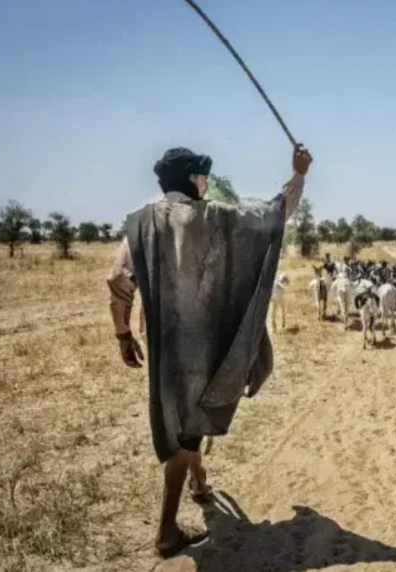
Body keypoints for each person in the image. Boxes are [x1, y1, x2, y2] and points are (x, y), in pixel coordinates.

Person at [106, 144, 313, 558]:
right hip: (201, 345)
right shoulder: (215, 218)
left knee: (185, 416)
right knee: (187, 430)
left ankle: (199, 484)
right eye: (202, 177)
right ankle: (166, 531)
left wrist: (123, 335)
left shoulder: (141, 225)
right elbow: (276, 212)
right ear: (191, 179)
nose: (206, 183)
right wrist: (299, 174)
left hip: (161, 345)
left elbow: (117, 281)